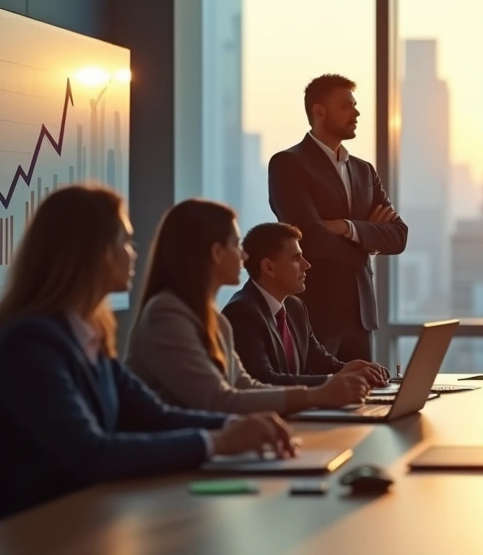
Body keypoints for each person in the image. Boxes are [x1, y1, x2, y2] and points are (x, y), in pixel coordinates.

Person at [0, 185, 295, 522]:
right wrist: (217, 442)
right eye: (125, 242)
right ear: (95, 252)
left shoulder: (88, 338)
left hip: (77, 518)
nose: (134, 253)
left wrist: (237, 425)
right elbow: (92, 454)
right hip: (20, 531)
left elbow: (156, 416)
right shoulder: (30, 345)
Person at [125, 199, 370, 414]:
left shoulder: (212, 319)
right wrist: (319, 394)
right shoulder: (166, 315)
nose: (243, 256)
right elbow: (219, 400)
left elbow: (244, 386)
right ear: (217, 253)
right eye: (236, 244)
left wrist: (332, 384)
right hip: (173, 460)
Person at [268, 74, 408, 363]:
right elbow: (310, 238)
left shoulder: (364, 171)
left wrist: (348, 227)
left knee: (365, 400)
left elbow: (398, 235)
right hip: (316, 313)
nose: (356, 113)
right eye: (346, 106)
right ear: (319, 111)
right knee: (318, 399)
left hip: (361, 315)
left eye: (355, 105)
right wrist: (366, 242)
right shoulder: (289, 164)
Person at [223, 222, 389, 387]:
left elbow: (318, 360)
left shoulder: (295, 307)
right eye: (296, 258)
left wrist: (349, 369)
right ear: (268, 267)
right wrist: (333, 382)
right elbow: (263, 380)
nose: (307, 265)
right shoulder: (242, 312)